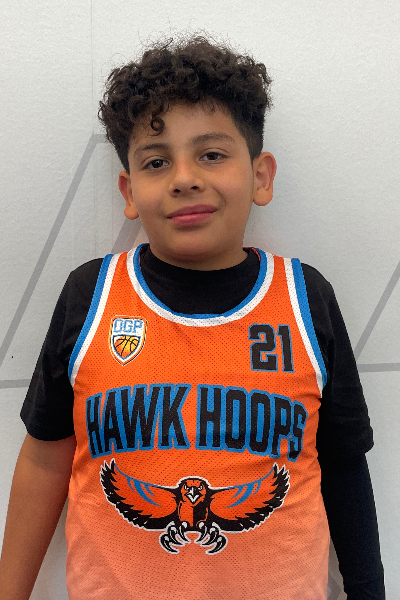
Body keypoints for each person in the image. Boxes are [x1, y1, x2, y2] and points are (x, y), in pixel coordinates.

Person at [0, 35, 385, 600]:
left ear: (260, 177)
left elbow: (345, 466)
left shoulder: (306, 299)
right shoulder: (91, 296)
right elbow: (44, 458)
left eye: (211, 154)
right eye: (157, 162)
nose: (184, 178)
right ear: (130, 191)